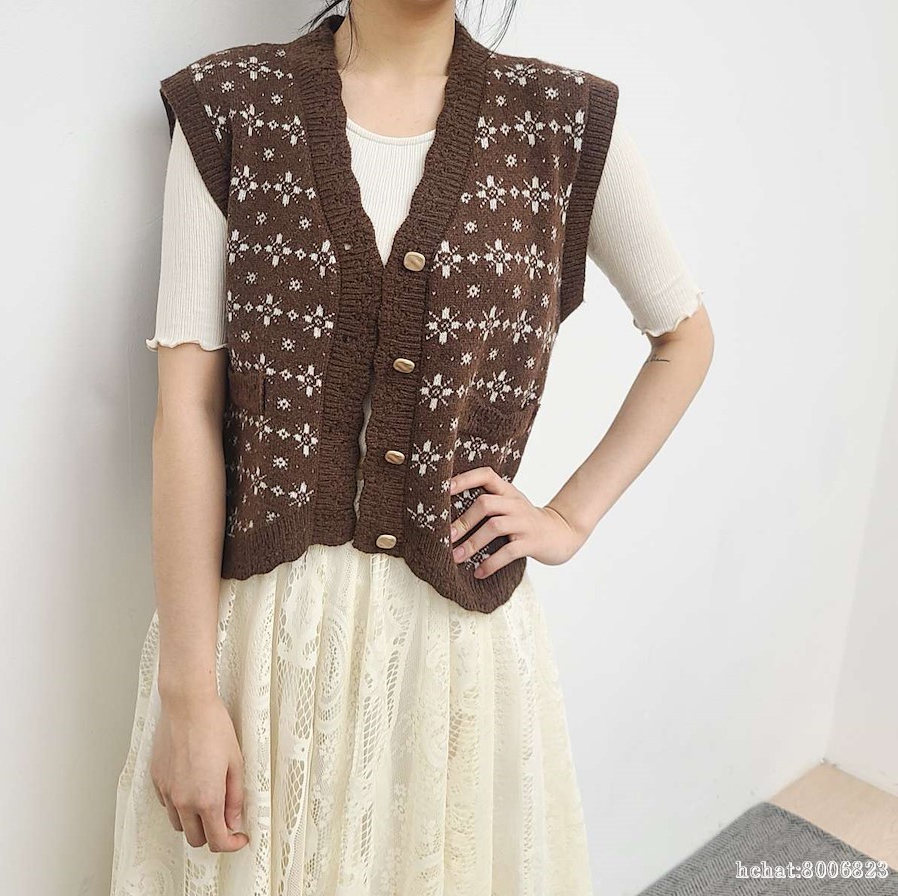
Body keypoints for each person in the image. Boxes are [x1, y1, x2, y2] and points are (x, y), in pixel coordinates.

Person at [110, 2, 714, 893]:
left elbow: (684, 338)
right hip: (261, 644)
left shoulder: (562, 122)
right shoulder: (234, 105)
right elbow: (186, 414)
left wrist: (569, 517)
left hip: (450, 645)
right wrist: (189, 695)